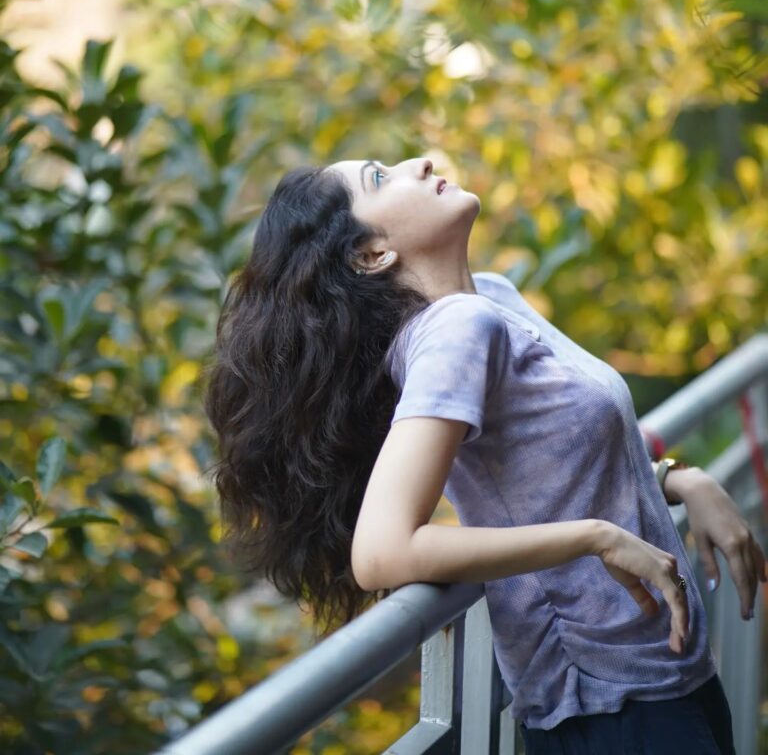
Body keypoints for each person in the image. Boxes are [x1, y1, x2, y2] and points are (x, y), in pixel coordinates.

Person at [203, 155, 766, 755]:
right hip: (609, 709)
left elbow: (562, 461)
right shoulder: (455, 332)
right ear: (371, 255)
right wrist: (597, 538)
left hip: (669, 674)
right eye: (379, 178)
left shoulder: (491, 298)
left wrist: (679, 479)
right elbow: (382, 551)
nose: (417, 162)